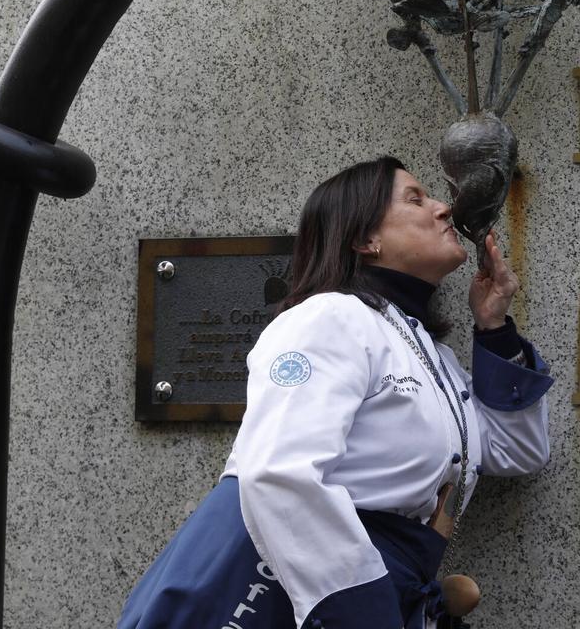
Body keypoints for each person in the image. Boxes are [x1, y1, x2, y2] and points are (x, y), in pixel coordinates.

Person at [119, 156, 554, 629]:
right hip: (304, 599)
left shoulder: (432, 355)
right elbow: (280, 472)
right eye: (416, 198)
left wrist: (494, 329)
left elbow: (520, 451)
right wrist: (363, 611)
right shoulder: (328, 317)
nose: (444, 208)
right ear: (365, 240)